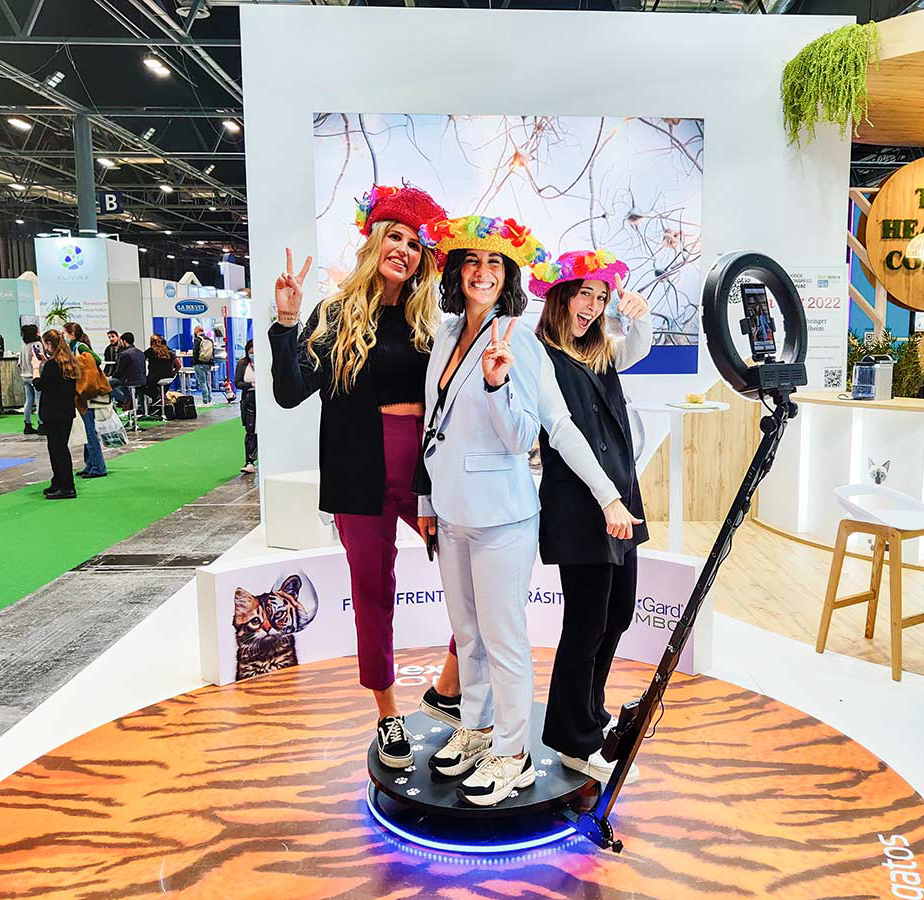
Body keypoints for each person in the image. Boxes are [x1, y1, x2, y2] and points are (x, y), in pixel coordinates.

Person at [415, 215, 639, 807]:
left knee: (503, 637)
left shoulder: (519, 338)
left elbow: (538, 433)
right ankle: (479, 727)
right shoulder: (442, 335)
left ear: (508, 274)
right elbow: (431, 425)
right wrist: (425, 499)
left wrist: (607, 493)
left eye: (494, 263)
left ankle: (513, 752)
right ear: (456, 271)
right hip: (452, 510)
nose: (482, 272)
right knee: (468, 635)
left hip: (504, 516)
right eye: (472, 262)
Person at [270, 183, 462, 770]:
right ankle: (387, 714)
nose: (403, 249)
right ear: (376, 240)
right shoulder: (334, 314)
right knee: (373, 592)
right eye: (394, 237)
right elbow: (287, 392)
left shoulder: (435, 317)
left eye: (414, 242)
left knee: (470, 579)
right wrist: (285, 323)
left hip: (427, 466)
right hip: (359, 466)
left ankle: (449, 689)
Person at [529, 250, 653, 782]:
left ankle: (590, 713)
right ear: (561, 295)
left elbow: (637, 349)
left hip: (620, 500)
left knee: (618, 613)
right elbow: (564, 433)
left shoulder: (596, 353)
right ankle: (573, 739)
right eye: (585, 294)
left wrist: (638, 316)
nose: (593, 306)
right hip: (584, 507)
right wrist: (607, 498)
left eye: (601, 298)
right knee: (586, 623)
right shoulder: (542, 356)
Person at [31, 329, 78, 499]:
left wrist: (36, 369)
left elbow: (40, 385)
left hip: (53, 412)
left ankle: (66, 486)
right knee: (60, 448)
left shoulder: (53, 365)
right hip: (66, 412)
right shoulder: (69, 362)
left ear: (49, 344)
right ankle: (58, 482)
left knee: (57, 450)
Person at [63, 322, 108, 479]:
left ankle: (98, 467)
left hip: (86, 394)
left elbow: (95, 360)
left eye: (65, 333)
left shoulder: (80, 347)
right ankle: (90, 465)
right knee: (86, 430)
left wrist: (76, 363)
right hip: (84, 394)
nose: (64, 336)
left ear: (72, 334)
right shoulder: (74, 347)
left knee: (89, 431)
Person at [234, 339, 257, 474]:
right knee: (251, 429)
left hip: (264, 399)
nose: (252, 354)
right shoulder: (242, 364)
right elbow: (237, 382)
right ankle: (249, 461)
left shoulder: (266, 361)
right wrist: (250, 385)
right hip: (249, 399)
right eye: (250, 352)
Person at [109, 331, 147, 411]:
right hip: (142, 380)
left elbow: (119, 371)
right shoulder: (141, 352)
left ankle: (126, 399)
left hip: (129, 380)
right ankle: (136, 405)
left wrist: (112, 377)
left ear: (124, 341)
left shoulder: (124, 354)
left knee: (107, 384)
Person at [146, 333, 180, 416]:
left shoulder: (150, 351)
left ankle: (154, 402)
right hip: (169, 378)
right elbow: (179, 364)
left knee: (141, 386)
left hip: (155, 379)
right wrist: (174, 372)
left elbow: (141, 357)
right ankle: (161, 398)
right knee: (160, 389)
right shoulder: (169, 351)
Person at [19, 324, 44, 435]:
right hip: (35, 375)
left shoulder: (24, 345)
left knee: (28, 401)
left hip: (24, 376)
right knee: (39, 401)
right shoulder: (37, 344)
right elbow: (40, 359)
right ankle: (41, 424)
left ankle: (27, 424)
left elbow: (19, 362)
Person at [192, 324, 215, 405]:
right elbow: (212, 353)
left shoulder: (197, 339)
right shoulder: (209, 339)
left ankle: (205, 400)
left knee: (202, 382)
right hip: (208, 364)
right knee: (208, 382)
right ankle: (210, 399)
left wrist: (194, 362)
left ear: (197, 330)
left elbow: (195, 352)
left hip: (199, 363)